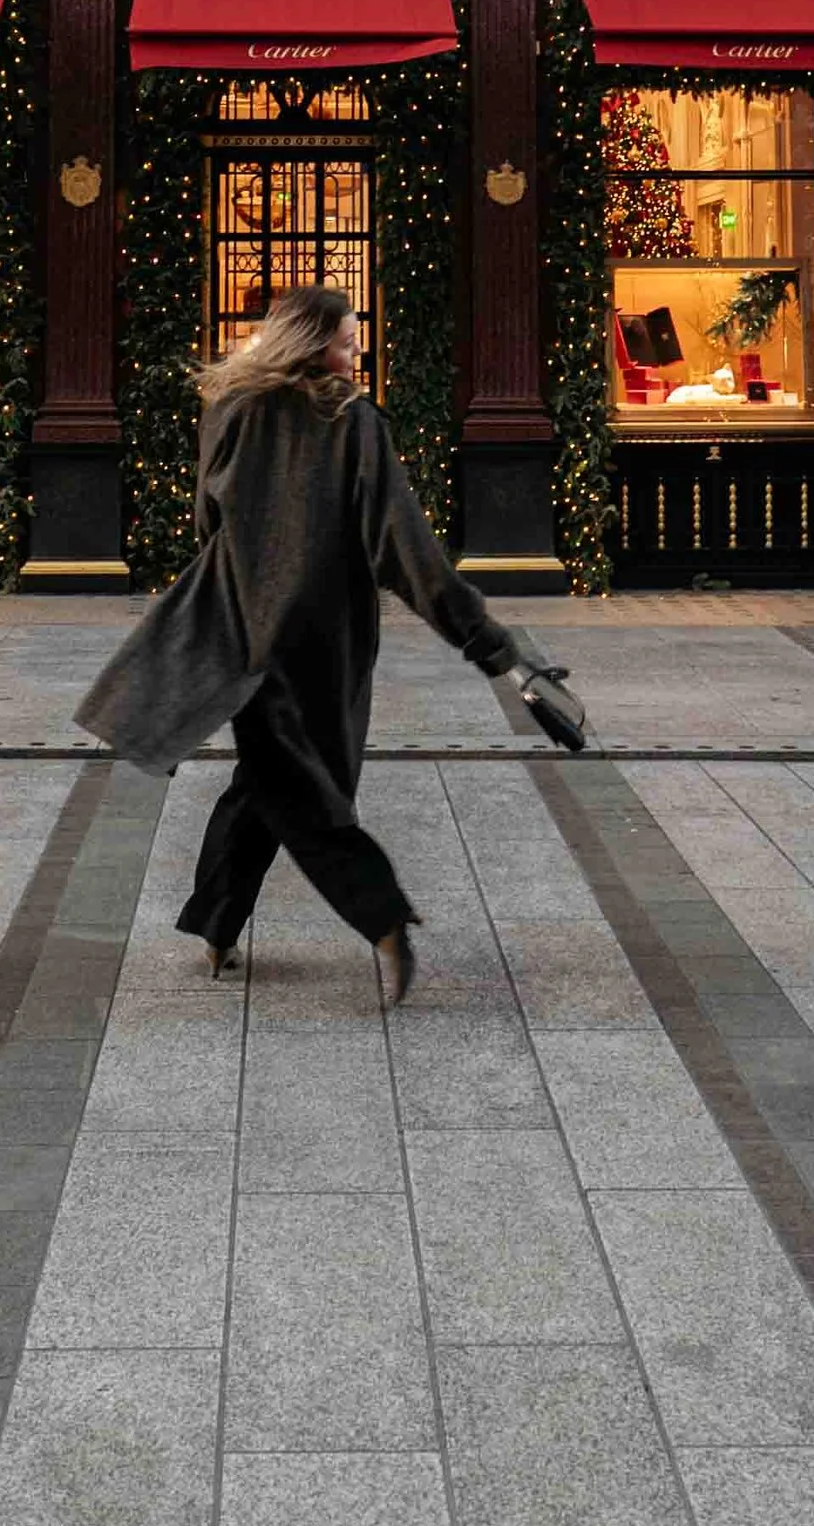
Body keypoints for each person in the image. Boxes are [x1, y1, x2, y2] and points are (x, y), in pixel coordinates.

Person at [73, 284, 576, 1004]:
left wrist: (246, 576)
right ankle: (382, 918)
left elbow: (205, 519)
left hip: (247, 623)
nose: (353, 356)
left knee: (270, 780)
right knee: (306, 785)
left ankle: (217, 924)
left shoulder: (231, 410)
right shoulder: (351, 421)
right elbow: (404, 544)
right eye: (345, 343)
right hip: (329, 635)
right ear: (311, 343)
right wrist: (485, 640)